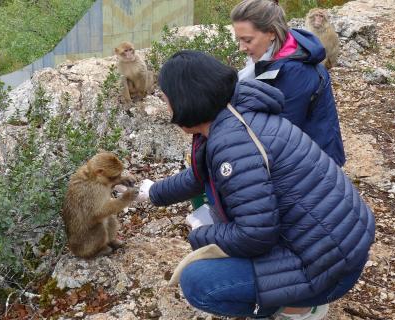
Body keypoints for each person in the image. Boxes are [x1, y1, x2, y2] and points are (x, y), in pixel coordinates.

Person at [143, 50, 375, 319]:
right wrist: (152, 193)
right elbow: (200, 175)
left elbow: (254, 236)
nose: (167, 107)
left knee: (198, 283)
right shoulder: (236, 112)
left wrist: (201, 232)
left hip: (328, 268)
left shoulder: (233, 144)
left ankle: (297, 308)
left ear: (185, 100)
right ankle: (292, 299)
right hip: (337, 244)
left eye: (167, 99)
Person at [231, 0, 346, 167]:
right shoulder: (275, 55)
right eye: (239, 40)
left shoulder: (296, 72)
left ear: (271, 33)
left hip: (314, 168)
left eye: (247, 40)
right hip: (298, 157)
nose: (241, 48)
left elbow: (279, 137)